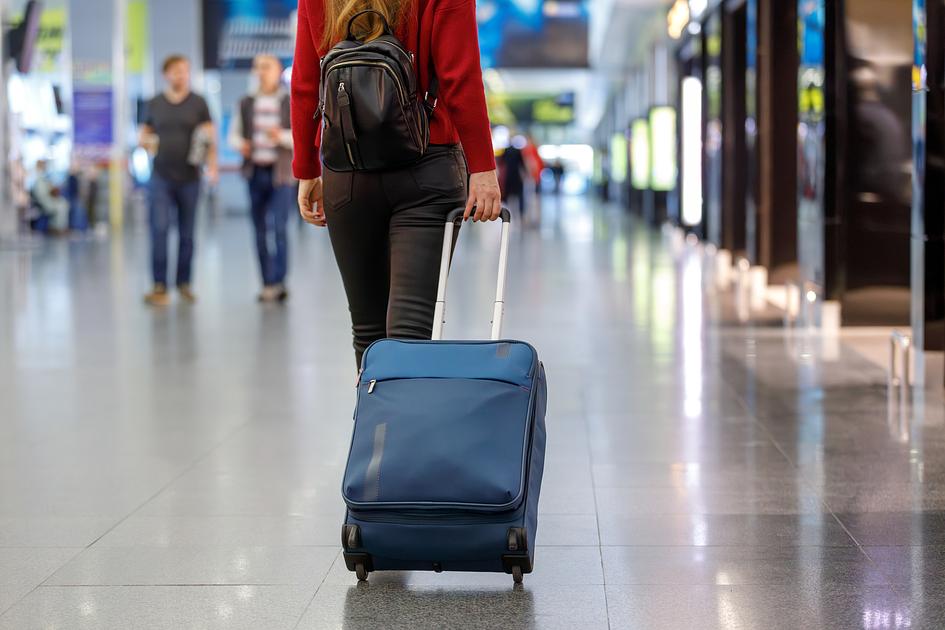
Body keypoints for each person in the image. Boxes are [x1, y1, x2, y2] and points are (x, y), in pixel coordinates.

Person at [292, 0, 503, 366]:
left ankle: (378, 423)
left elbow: (305, 82)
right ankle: (406, 421)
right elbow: (460, 76)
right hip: (428, 165)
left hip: (348, 169)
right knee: (412, 337)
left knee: (368, 336)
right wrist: (482, 168)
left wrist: (307, 168)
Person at [139, 54, 218, 306]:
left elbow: (210, 136)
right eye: (175, 71)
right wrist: (145, 142)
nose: (180, 75)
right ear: (166, 75)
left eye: (184, 71)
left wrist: (212, 167)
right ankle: (159, 285)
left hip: (190, 177)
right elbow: (144, 133)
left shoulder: (199, 103)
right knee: (159, 229)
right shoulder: (154, 104)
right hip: (161, 176)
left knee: (187, 233)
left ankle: (184, 283)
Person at [228, 54, 294, 302]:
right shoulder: (246, 102)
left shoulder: (290, 101)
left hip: (281, 175)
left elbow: (302, 138)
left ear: (278, 70)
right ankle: (266, 282)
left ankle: (280, 280)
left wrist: (281, 137)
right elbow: (232, 135)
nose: (260, 71)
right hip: (255, 173)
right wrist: (240, 145)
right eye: (257, 67)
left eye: (266, 66)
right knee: (259, 230)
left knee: (279, 228)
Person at [30, 159, 70, 234]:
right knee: (61, 206)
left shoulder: (44, 178)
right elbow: (40, 195)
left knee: (63, 202)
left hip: (46, 199)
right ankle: (57, 228)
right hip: (42, 202)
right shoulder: (37, 178)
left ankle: (60, 227)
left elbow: (48, 190)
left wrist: (52, 188)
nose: (44, 168)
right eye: (43, 166)